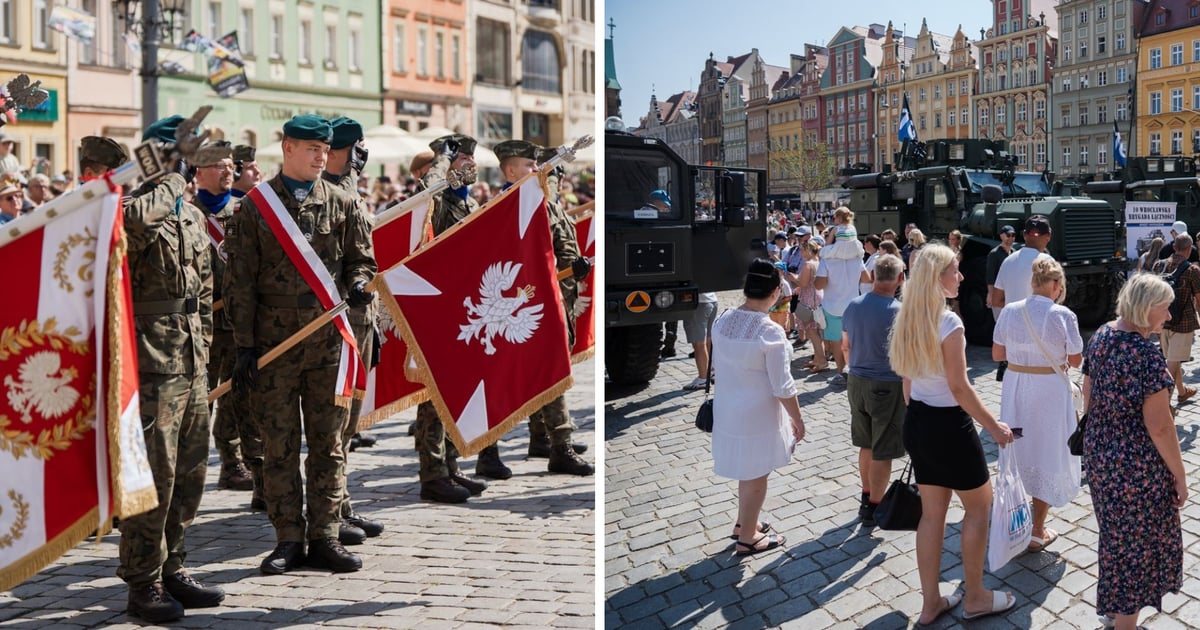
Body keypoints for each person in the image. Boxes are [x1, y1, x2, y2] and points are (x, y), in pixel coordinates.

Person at [223, 114, 377, 575]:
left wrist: (359, 284)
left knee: (329, 444)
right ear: (287, 147)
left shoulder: (343, 202)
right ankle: (287, 537)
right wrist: (244, 347)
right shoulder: (256, 207)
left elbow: (362, 259)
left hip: (328, 342)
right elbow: (240, 282)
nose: (320, 158)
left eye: (325, 151)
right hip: (275, 346)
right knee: (279, 446)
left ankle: (325, 534)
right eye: (312, 149)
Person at [117, 118, 222, 622]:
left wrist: (207, 348)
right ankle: (143, 580)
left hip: (191, 360)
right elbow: (135, 226)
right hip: (151, 362)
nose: (190, 164)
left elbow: (204, 289)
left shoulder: (192, 216)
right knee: (153, 475)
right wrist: (171, 176)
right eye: (182, 155)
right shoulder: (131, 205)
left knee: (191, 471)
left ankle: (174, 564)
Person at [888, 243, 1016, 625]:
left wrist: (919, 416)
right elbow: (960, 387)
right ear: (936, 277)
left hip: (919, 421)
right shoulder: (949, 323)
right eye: (954, 271)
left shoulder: (907, 317)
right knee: (979, 508)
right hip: (949, 425)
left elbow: (907, 382)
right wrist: (993, 426)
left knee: (932, 516)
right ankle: (975, 596)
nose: (960, 277)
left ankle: (931, 602)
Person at [473, 139, 593, 477]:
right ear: (511, 171)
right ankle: (487, 452)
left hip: (547, 305)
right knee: (498, 380)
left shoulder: (544, 204)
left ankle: (558, 446)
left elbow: (560, 248)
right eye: (529, 165)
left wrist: (574, 265)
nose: (537, 170)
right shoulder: (497, 209)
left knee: (552, 374)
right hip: (509, 311)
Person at [1082, 273, 1186, 630]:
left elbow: (1088, 395)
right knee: (1137, 548)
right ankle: (1125, 624)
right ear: (1146, 308)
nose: (1169, 316)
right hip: (1136, 466)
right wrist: (1180, 476)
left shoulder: (1102, 335)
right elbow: (1161, 427)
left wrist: (1102, 437)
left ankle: (1114, 612)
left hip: (1100, 455)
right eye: (1165, 308)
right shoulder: (1145, 355)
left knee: (1116, 538)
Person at [411, 133, 491, 502]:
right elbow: (424, 196)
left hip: (466, 308)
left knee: (455, 393)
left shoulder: (468, 201)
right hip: (437, 307)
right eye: (462, 159)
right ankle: (432, 474)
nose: (471, 164)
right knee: (433, 395)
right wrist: (441, 161)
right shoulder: (436, 198)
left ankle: (451, 465)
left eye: (472, 159)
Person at [711, 258, 805, 556]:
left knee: (748, 471)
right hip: (757, 414)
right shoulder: (770, 332)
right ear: (776, 292)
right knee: (757, 476)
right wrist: (798, 420)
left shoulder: (723, 319)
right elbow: (783, 386)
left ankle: (745, 522)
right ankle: (748, 537)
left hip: (728, 408)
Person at [321, 116, 387, 544]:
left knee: (348, 425)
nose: (363, 155)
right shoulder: (327, 195)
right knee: (334, 426)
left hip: (361, 320)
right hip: (338, 324)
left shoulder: (349, 190)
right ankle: (329, 512)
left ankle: (341, 503)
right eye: (358, 147)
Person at [992, 257, 1083, 552]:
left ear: (1033, 282)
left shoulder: (1009, 311)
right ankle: (1037, 530)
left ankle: (1015, 521)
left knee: (1018, 448)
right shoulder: (1063, 315)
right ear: (1056, 285)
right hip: (1049, 389)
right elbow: (1075, 360)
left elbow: (997, 354)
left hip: (1016, 386)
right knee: (1046, 452)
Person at [189, 141, 261, 498]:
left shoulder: (245, 209)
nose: (228, 170)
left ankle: (237, 465)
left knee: (240, 395)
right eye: (219, 165)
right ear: (199, 172)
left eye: (231, 164)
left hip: (239, 320)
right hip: (202, 324)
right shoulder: (188, 214)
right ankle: (191, 470)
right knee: (200, 397)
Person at [841, 254, 905, 527]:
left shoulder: (853, 305)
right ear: (900, 278)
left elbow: (845, 345)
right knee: (883, 449)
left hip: (856, 380)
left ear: (874, 275)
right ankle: (875, 507)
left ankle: (866, 496)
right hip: (887, 384)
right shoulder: (899, 311)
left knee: (866, 444)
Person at [1150, 233, 1200, 405]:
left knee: (1173, 358)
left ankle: (1183, 392)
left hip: (1162, 321)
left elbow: (1151, 295)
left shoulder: (1159, 266)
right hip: (1183, 323)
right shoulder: (1193, 271)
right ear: (1189, 249)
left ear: (1173, 247)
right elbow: (1199, 300)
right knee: (1172, 362)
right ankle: (1165, 405)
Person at [815, 225, 869, 383]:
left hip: (833, 307)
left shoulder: (827, 260)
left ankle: (841, 373)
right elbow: (867, 279)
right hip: (854, 306)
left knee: (837, 342)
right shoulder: (857, 259)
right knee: (853, 341)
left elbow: (819, 285)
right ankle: (855, 371)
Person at [994, 215, 1053, 307]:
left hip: (1011, 316)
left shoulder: (1008, 260)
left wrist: (1016, 310)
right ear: (1048, 236)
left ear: (1025, 234)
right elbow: (1052, 299)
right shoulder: (1047, 261)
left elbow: (996, 301)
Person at [794, 240, 827, 372]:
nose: (800, 253)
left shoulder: (808, 264)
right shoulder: (819, 262)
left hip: (809, 298)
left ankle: (822, 361)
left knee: (812, 332)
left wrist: (792, 278)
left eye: (802, 250)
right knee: (816, 331)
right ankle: (818, 359)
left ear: (807, 250)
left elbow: (803, 283)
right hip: (818, 296)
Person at [986, 225, 1017, 321]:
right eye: (1008, 235)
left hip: (1011, 293)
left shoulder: (1014, 252)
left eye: (1013, 235)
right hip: (998, 294)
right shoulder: (994, 253)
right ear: (1001, 236)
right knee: (1000, 321)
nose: (1011, 238)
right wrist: (990, 294)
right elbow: (990, 275)